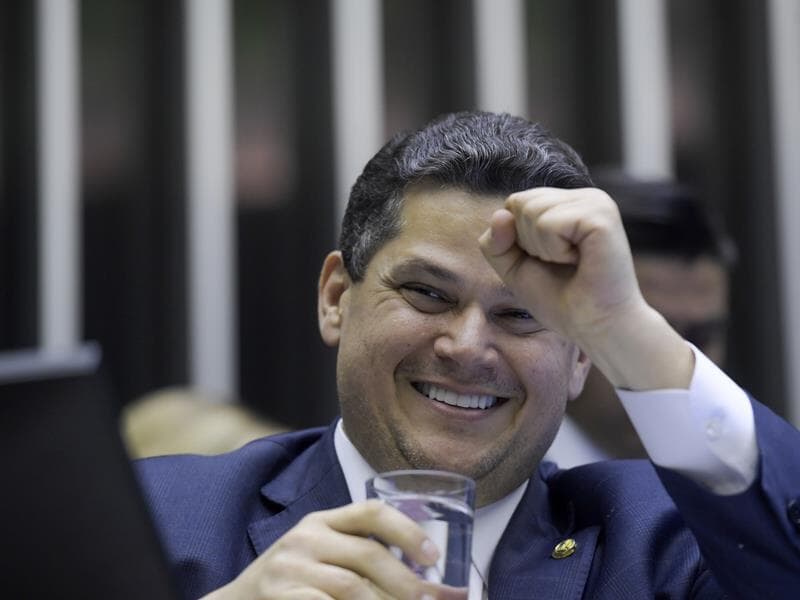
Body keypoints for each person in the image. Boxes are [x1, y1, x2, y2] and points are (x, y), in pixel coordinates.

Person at [137, 111, 800, 599]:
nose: (467, 347)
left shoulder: (672, 543)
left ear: (581, 360)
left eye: (522, 315)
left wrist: (624, 325)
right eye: (427, 294)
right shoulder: (157, 520)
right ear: (336, 297)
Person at [547, 173, 736, 466]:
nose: (679, 367)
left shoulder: (738, 479)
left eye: (701, 338)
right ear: (560, 323)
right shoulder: (492, 481)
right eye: (641, 335)